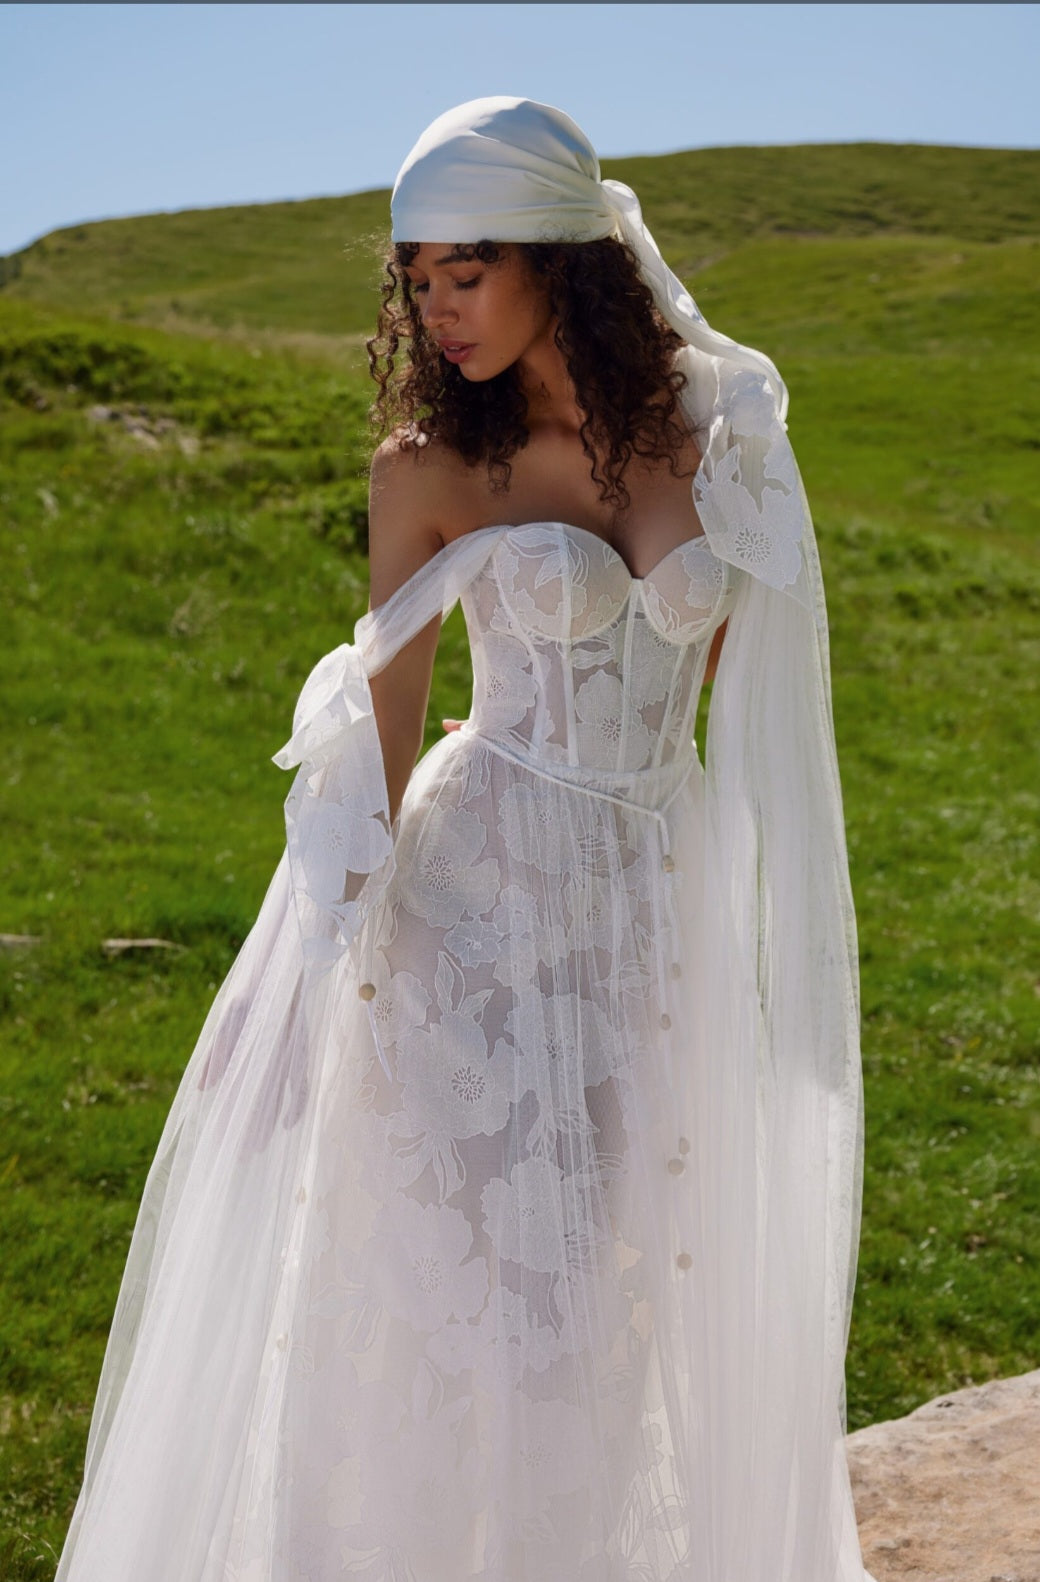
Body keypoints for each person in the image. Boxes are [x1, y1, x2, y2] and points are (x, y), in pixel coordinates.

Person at [56, 98, 873, 1582]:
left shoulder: (709, 425)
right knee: (468, 1294)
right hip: (471, 900)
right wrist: (307, 961)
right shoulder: (422, 468)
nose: (435, 309)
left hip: (645, 898)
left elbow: (734, 667)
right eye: (415, 278)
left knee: (625, 1284)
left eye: (465, 271)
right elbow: (384, 723)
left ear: (563, 257)